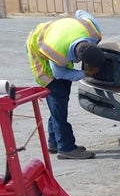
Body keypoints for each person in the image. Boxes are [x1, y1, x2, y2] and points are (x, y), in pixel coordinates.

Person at [26, 9, 104, 159]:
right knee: (57, 93)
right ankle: (66, 148)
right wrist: (85, 73)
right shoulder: (56, 53)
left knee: (57, 105)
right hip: (38, 44)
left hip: (57, 32)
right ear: (78, 58)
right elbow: (60, 74)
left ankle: (54, 142)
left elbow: (81, 12)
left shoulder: (93, 32)